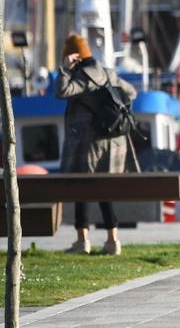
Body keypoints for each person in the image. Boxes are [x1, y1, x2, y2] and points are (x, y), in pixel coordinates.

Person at [54, 33, 140, 256]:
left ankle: (82, 240)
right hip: (114, 141)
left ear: (73, 56)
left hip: (89, 142)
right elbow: (131, 92)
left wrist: (64, 69)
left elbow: (62, 91)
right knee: (104, 189)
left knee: (81, 187)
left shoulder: (82, 76)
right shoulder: (109, 73)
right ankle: (113, 240)